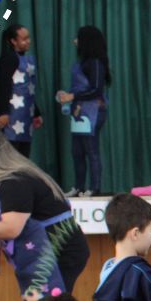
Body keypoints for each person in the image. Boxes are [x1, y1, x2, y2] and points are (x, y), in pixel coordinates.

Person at [0, 127, 90, 300]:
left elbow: (11, 228)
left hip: (57, 249)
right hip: (48, 247)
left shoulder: (14, 181)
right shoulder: (9, 180)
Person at [57, 25, 111, 198]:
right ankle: (78, 186)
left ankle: (95, 187)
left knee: (91, 150)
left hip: (93, 112)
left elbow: (96, 89)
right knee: (77, 151)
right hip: (78, 112)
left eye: (78, 38)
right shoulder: (81, 63)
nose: (75, 41)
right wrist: (67, 96)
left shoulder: (95, 63)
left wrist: (72, 96)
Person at [0, 24, 42, 157]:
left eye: (28, 38)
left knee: (23, 156)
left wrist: (36, 113)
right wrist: (3, 112)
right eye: (24, 39)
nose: (28, 41)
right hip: (12, 116)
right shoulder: (9, 58)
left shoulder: (28, 59)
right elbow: (3, 86)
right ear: (13, 41)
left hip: (25, 116)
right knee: (10, 156)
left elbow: (27, 89)